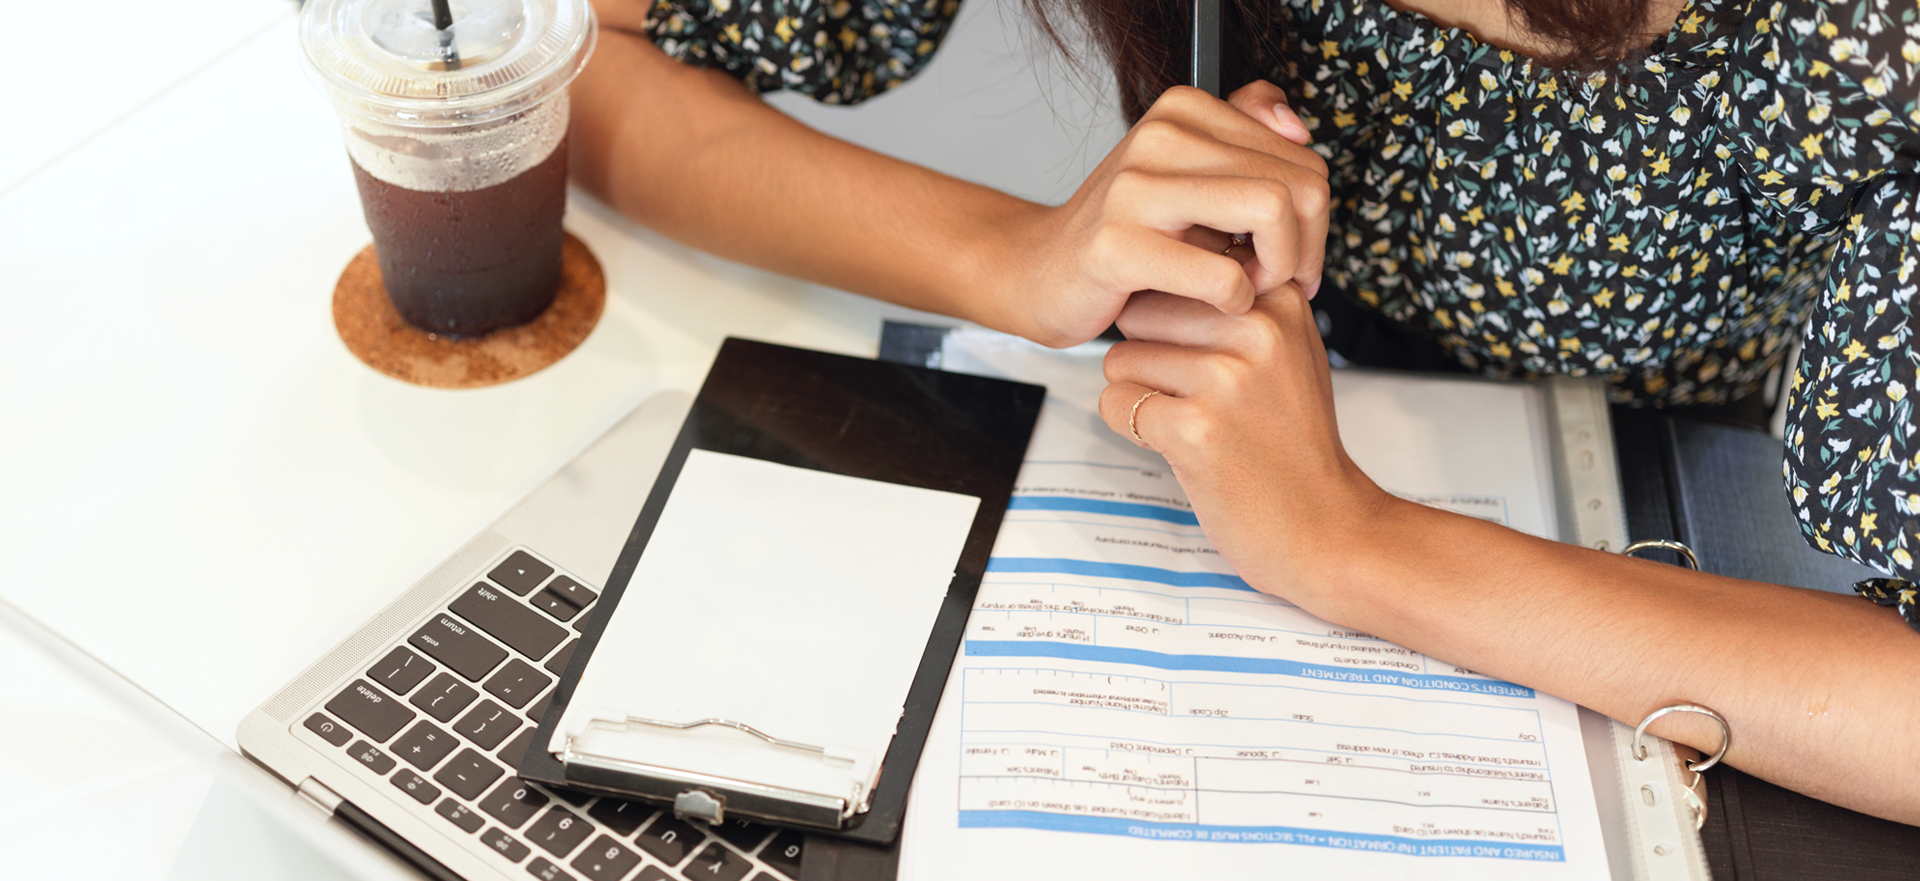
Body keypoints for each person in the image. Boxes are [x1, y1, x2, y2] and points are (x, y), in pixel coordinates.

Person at [571, 0, 1920, 827]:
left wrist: (1352, 544)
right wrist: (1016, 264)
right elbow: (558, 63)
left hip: (1693, 513)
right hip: (1275, 423)